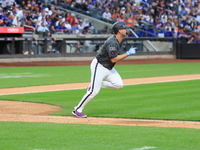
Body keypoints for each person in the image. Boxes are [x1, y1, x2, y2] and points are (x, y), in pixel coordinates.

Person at [72, 21, 137, 118]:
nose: (126, 30)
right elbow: (114, 58)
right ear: (119, 31)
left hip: (109, 67)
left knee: (118, 85)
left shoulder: (119, 40)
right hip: (99, 67)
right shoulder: (112, 42)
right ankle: (77, 109)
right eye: (124, 28)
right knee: (94, 92)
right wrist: (127, 54)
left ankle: (95, 84)